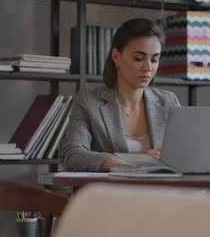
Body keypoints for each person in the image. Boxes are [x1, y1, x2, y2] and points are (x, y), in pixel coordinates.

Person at [61, 18, 180, 172]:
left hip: (159, 192)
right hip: (110, 193)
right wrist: (141, 161)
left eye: (154, 60)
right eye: (138, 58)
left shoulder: (168, 101)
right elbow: (72, 155)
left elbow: (183, 155)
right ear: (116, 56)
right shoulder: (88, 101)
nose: (148, 67)